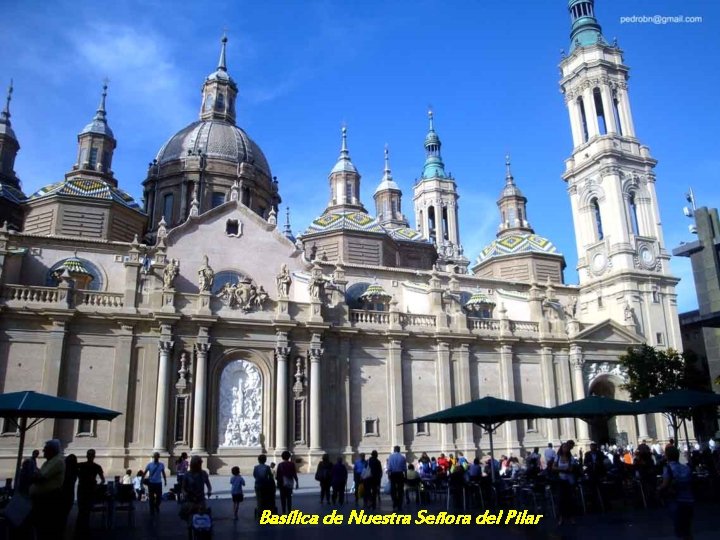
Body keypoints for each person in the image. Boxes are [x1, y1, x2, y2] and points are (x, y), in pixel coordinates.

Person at [29, 439, 66, 540]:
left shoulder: (57, 461)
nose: (43, 451)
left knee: (46, 529)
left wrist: (31, 476)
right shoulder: (48, 462)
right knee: (41, 528)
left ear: (51, 450)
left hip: (49, 500)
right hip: (43, 500)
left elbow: (41, 477)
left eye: (45, 449)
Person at [658, 445, 694, 540]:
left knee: (680, 529)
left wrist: (658, 489)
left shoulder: (668, 468)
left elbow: (665, 484)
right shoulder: (686, 468)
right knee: (687, 528)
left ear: (667, 456)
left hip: (676, 501)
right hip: (689, 500)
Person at [76, 448, 105, 536]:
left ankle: (79, 528)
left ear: (87, 456)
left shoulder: (81, 465)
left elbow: (74, 472)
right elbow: (103, 480)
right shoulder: (97, 467)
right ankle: (85, 528)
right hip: (90, 489)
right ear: (94, 456)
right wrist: (97, 486)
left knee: (81, 509)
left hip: (82, 488)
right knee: (87, 509)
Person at [180, 456, 212, 520]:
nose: (200, 465)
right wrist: (184, 493)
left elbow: (208, 485)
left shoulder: (204, 473)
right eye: (199, 463)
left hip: (201, 498)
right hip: (190, 499)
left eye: (200, 463)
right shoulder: (187, 474)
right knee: (190, 516)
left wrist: (209, 491)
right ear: (193, 464)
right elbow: (183, 487)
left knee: (202, 516)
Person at [555, 442, 576, 525]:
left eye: (566, 447)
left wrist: (563, 469)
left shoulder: (571, 458)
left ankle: (571, 517)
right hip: (561, 481)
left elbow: (571, 468)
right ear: (561, 448)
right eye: (564, 447)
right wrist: (562, 469)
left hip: (569, 481)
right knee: (561, 500)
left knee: (570, 499)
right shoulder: (558, 457)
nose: (565, 449)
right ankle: (561, 518)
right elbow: (553, 467)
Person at [60, 453, 78, 529]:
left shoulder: (63, 470)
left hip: (63, 494)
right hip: (69, 494)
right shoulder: (74, 470)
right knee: (64, 514)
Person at [387, 446, 407, 511]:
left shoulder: (390, 457)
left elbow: (389, 467)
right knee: (400, 490)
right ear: (399, 450)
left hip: (393, 474)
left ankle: (394, 501)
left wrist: (389, 476)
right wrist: (405, 477)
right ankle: (399, 504)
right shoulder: (403, 457)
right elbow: (405, 468)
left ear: (394, 450)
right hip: (400, 474)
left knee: (393, 490)